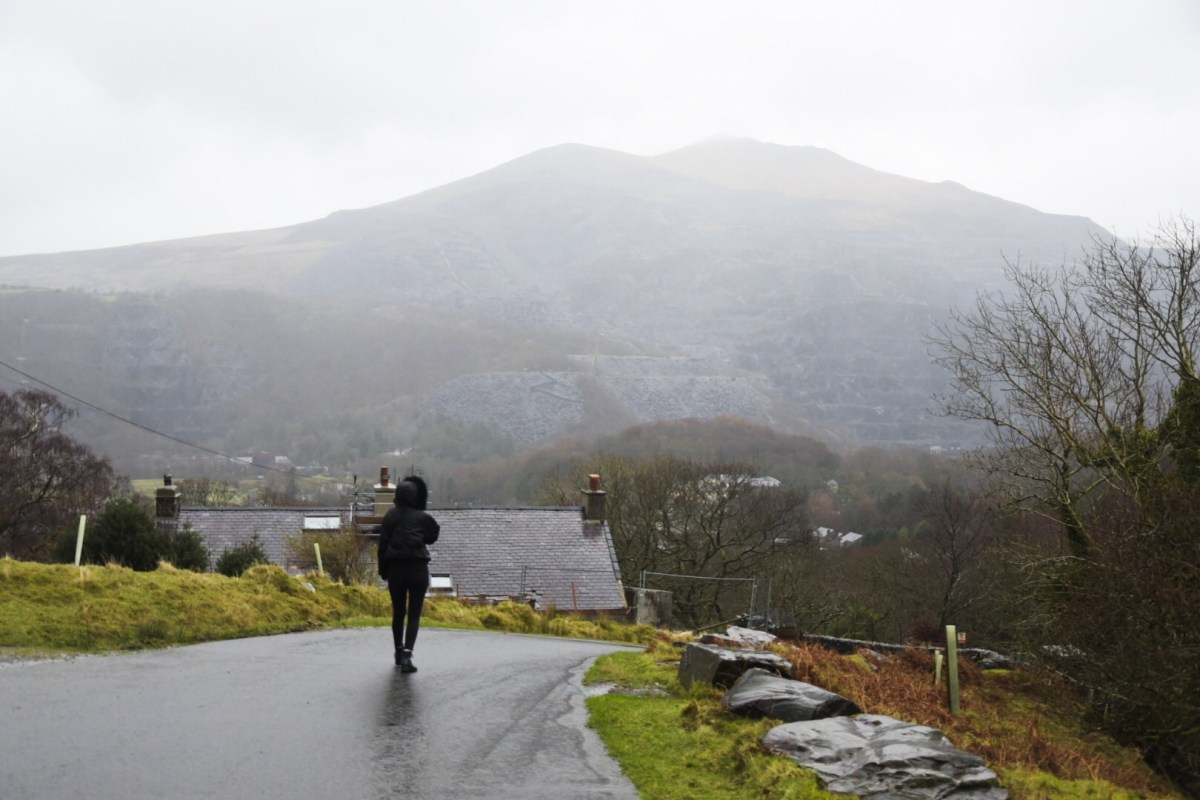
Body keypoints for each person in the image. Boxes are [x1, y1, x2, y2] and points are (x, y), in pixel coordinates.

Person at [377, 475, 439, 673]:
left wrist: (383, 570)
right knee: (414, 614)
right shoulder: (423, 518)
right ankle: (407, 655)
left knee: (398, 612)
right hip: (418, 568)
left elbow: (382, 546)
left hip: (396, 568)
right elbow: (433, 535)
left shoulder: (390, 516)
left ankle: (398, 650)